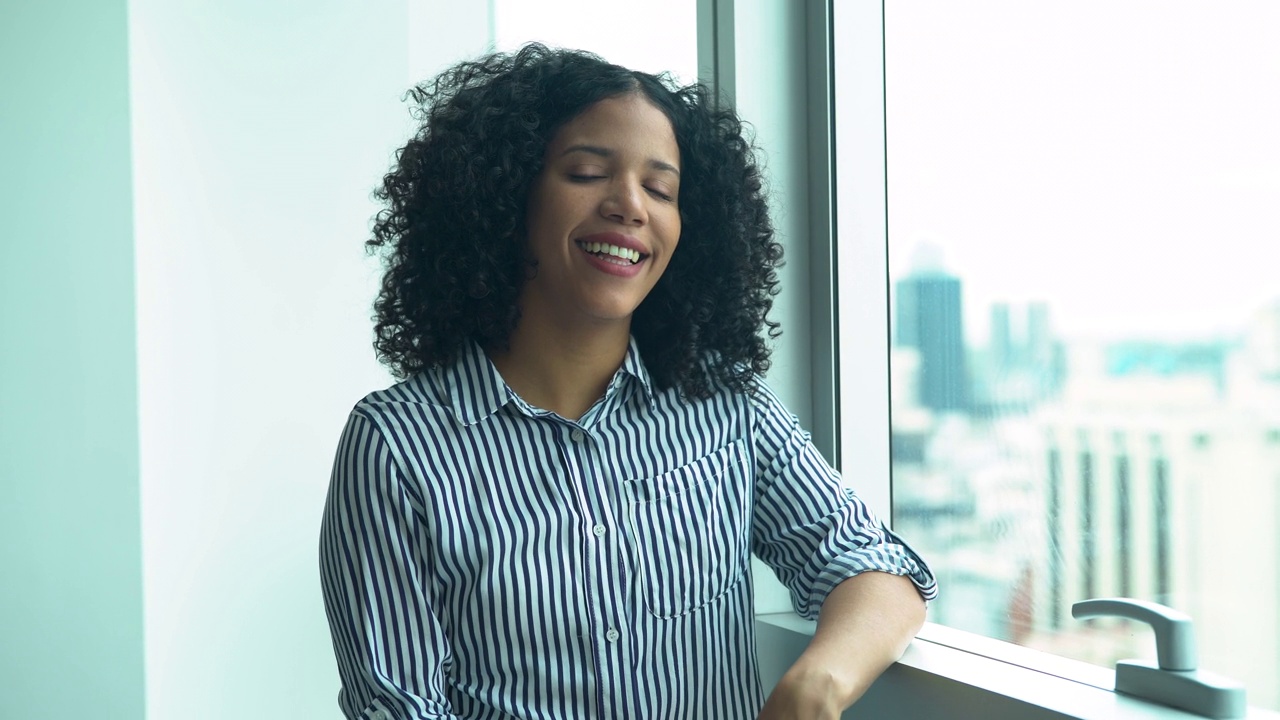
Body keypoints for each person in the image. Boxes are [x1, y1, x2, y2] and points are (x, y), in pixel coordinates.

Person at [320, 43, 936, 720]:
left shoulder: (727, 408)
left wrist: (811, 687)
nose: (630, 206)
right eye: (586, 172)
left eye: (661, 189)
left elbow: (875, 570)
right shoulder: (396, 446)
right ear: (504, 194)